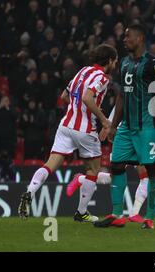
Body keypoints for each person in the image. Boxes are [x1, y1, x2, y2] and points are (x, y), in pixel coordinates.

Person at [17, 44, 118, 222]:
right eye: (115, 61)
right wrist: (103, 119)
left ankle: (30, 192)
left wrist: (76, 109)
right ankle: (81, 212)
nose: (115, 65)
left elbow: (64, 96)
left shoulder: (82, 72)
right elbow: (87, 97)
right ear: (109, 61)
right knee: (92, 169)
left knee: (50, 164)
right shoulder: (102, 77)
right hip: (85, 129)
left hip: (66, 125)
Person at [94, 24, 155, 230]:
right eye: (124, 36)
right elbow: (121, 96)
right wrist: (113, 126)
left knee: (153, 170)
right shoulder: (125, 63)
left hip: (148, 127)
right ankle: (117, 213)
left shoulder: (154, 64)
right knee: (116, 166)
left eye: (129, 37)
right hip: (127, 127)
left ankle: (149, 217)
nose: (124, 39)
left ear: (140, 38)